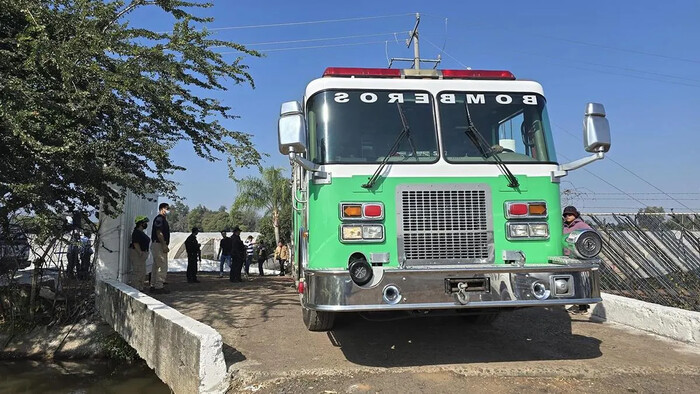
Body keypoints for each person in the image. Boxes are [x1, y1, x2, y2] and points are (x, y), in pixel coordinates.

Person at [562, 205, 593, 315]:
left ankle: (582, 307)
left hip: (578, 257)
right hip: (568, 257)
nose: (567, 216)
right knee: (572, 282)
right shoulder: (565, 226)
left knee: (580, 282)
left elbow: (590, 235)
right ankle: (576, 304)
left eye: (570, 214)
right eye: (565, 215)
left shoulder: (580, 225)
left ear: (575, 215)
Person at [150, 203, 171, 294]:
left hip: (157, 244)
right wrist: (164, 244)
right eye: (167, 209)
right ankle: (159, 286)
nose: (168, 211)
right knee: (162, 265)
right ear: (162, 209)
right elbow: (159, 232)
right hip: (159, 244)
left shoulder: (162, 219)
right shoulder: (159, 219)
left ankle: (153, 284)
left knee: (156, 265)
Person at [129, 216, 150, 291]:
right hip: (137, 254)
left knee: (142, 271)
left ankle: (140, 287)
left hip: (142, 254)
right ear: (140, 224)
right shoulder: (136, 232)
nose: (146, 224)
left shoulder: (141, 232)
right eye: (144, 223)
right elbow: (135, 243)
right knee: (137, 271)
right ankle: (135, 288)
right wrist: (140, 252)